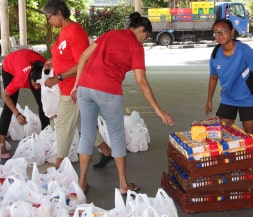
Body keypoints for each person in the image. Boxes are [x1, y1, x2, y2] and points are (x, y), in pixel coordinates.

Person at [71, 12, 174, 194]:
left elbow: (83, 57)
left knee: (87, 134)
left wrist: (76, 85)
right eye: (146, 36)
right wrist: (158, 110)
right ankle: (123, 185)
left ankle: (81, 183)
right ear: (141, 30)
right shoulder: (135, 47)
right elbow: (141, 82)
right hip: (108, 91)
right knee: (117, 137)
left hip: (85, 88)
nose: (144, 40)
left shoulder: (110, 34)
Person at [42, 0, 112, 169]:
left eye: (49, 17)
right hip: (68, 86)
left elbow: (83, 62)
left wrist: (58, 77)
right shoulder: (64, 31)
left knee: (63, 126)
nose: (49, 21)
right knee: (82, 122)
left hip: (75, 87)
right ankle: (106, 150)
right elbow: (66, 54)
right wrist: (54, 61)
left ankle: (59, 167)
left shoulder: (75, 32)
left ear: (59, 13)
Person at [205, 18, 253, 179]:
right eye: (216, 33)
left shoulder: (245, 51)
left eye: (223, 31)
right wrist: (209, 100)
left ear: (232, 32)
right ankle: (231, 164)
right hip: (227, 98)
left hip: (247, 98)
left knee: (251, 132)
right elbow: (213, 78)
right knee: (225, 132)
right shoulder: (215, 55)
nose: (219, 35)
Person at [0, 49, 50, 159]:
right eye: (35, 84)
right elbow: (5, 95)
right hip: (10, 66)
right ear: (30, 78)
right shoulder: (20, 79)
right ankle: (1, 144)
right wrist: (18, 114)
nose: (37, 87)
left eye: (39, 84)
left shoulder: (47, 70)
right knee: (9, 106)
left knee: (43, 105)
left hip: (28, 60)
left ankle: (45, 139)